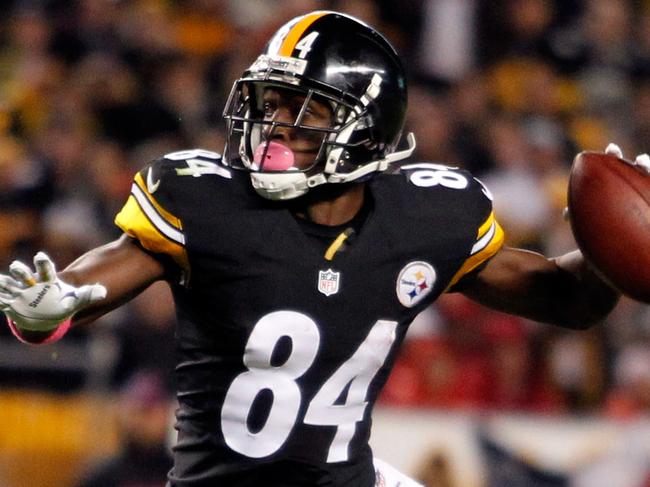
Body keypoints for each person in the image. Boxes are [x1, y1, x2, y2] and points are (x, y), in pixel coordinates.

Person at [0, 10, 635, 487]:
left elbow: (573, 302)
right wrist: (53, 304)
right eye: (271, 104)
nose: (277, 126)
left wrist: (615, 238)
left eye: (307, 109)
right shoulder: (209, 203)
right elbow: (104, 272)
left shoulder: (425, 216)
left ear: (369, 125)